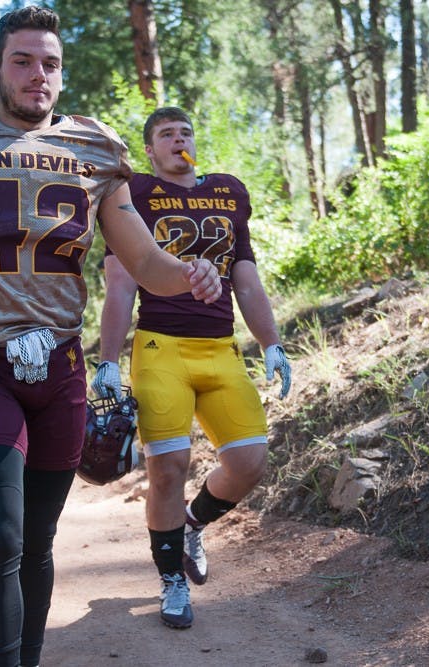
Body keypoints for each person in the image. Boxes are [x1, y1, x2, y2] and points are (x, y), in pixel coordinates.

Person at [0, 8, 222, 667]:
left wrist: (190, 274)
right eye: (24, 61)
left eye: (50, 64)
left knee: (38, 538)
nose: (39, 75)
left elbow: (144, 262)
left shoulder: (94, 148)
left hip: (59, 370)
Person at [92, 106, 292, 630]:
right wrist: (108, 361)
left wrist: (270, 343)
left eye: (185, 132)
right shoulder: (134, 193)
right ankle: (171, 581)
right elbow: (120, 284)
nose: (178, 139)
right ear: (150, 150)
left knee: (249, 462)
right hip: (161, 348)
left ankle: (192, 525)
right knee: (168, 469)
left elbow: (245, 278)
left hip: (220, 346)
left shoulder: (229, 191)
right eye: (165, 134)